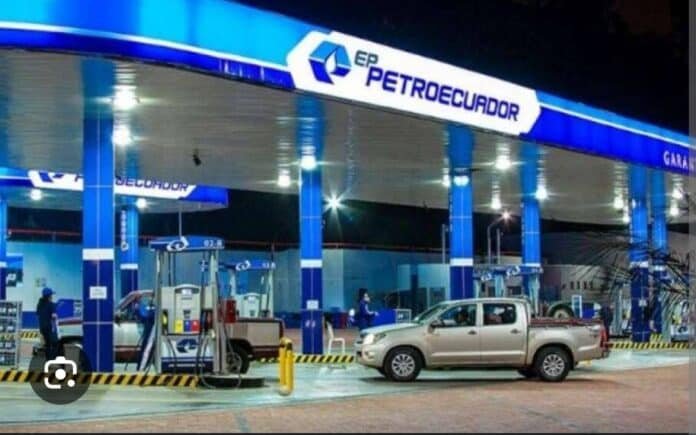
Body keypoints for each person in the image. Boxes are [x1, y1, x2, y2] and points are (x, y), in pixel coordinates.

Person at [36, 287, 60, 361]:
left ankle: (48, 360)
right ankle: (52, 360)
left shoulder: (39, 304)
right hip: (50, 328)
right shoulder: (51, 305)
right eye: (51, 295)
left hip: (42, 328)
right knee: (55, 343)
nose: (52, 296)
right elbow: (54, 316)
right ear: (49, 296)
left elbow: (38, 313)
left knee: (47, 344)